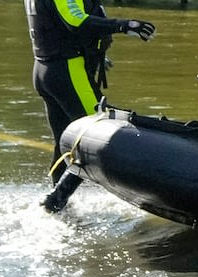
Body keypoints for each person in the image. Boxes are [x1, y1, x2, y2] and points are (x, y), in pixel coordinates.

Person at [25, 0, 156, 212]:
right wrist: (125, 25)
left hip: (46, 70)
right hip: (68, 71)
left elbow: (54, 25)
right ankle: (56, 198)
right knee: (94, 136)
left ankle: (56, 207)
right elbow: (75, 21)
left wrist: (95, 54)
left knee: (63, 142)